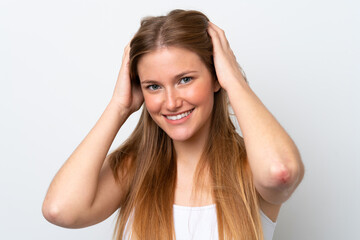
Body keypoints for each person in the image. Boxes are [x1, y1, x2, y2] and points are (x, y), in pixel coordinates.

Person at [42, 9, 304, 240]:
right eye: (154, 86)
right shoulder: (134, 169)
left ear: (216, 78)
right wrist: (119, 106)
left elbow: (280, 171)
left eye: (185, 80)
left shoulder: (250, 171)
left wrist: (234, 80)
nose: (170, 102)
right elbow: (60, 210)